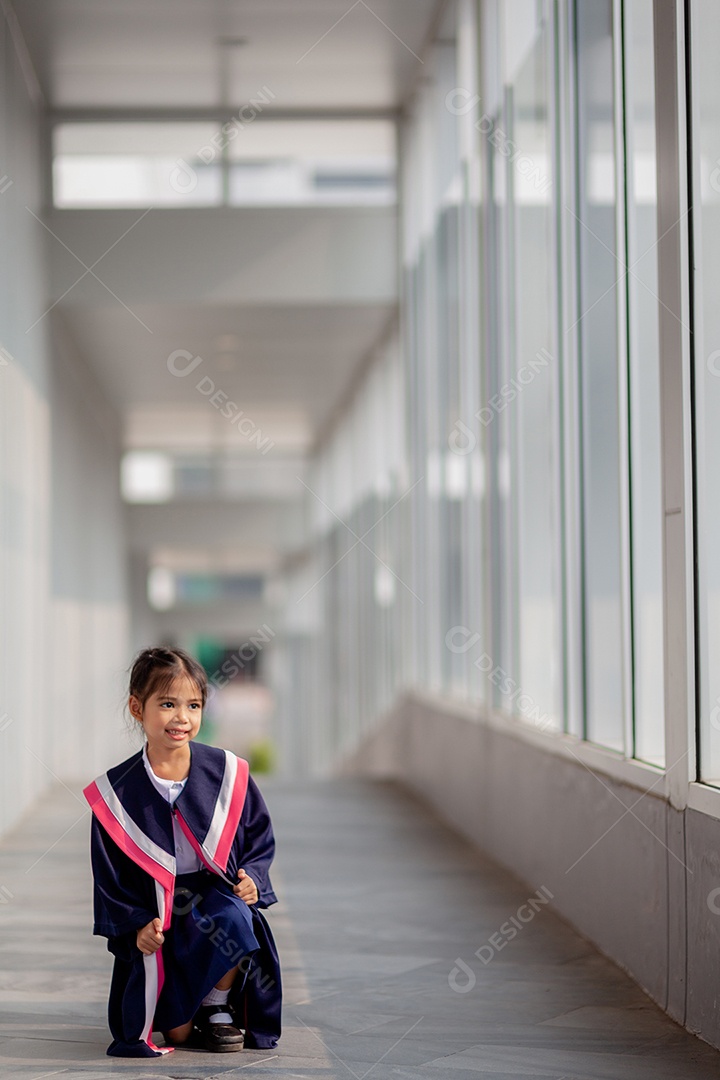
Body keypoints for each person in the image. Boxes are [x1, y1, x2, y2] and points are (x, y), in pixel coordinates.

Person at [83, 646, 282, 1058]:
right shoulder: (116, 794)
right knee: (175, 1034)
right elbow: (110, 877)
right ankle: (186, 1010)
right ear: (137, 708)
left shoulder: (227, 774)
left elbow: (258, 837)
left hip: (209, 898)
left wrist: (252, 878)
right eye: (167, 704)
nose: (182, 718)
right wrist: (136, 925)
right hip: (157, 911)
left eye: (194, 705)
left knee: (234, 914)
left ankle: (217, 1006)